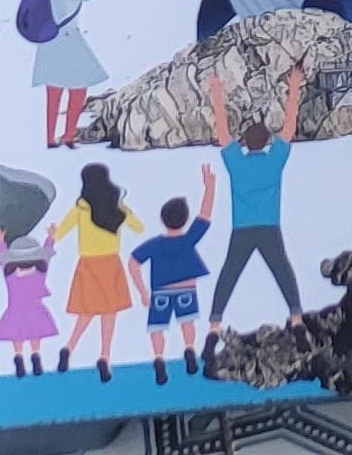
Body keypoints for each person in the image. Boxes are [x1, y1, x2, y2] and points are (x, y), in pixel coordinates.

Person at [206, 59, 305, 336]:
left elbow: (222, 130)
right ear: (267, 142)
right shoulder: (274, 161)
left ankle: (214, 325)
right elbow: (289, 127)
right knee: (283, 271)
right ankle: (296, 318)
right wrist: (294, 88)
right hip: (269, 226)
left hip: (242, 228)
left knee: (229, 274)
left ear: (245, 143)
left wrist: (217, 93)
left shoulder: (236, 162)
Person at [46, 160, 143, 385]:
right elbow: (139, 228)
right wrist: (124, 206)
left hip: (88, 264)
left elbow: (59, 233)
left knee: (87, 311)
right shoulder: (117, 207)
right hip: (111, 263)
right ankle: (104, 356)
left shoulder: (81, 207)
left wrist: (51, 234)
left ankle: (69, 347)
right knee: (109, 313)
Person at [17, 0, 108, 148]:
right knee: (78, 89)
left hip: (50, 40)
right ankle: (68, 136)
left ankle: (51, 138)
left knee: (54, 91)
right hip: (68, 40)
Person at [130, 173, 217, 384]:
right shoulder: (188, 239)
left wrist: (142, 291)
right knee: (187, 322)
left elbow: (133, 262)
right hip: (186, 289)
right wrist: (210, 187)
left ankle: (159, 358)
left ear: (162, 219)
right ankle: (189, 348)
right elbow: (205, 215)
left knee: (157, 328)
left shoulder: (155, 244)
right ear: (185, 219)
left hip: (160, 292)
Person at [0, 228, 63, 379]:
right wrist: (50, 238)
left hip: (15, 310)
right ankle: (35, 355)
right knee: (34, 333)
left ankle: (19, 357)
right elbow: (47, 256)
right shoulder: (40, 272)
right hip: (35, 310)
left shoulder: (10, 274)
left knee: (17, 335)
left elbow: (4, 259)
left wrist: (0, 242)